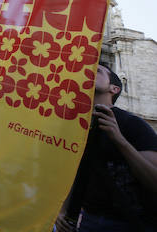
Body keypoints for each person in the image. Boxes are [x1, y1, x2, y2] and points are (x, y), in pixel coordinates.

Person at [56, 63, 157, 232]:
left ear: (114, 88)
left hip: (132, 222)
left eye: (99, 71)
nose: (90, 72)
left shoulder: (133, 124)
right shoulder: (76, 127)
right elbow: (72, 173)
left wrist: (119, 140)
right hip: (89, 220)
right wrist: (62, 211)